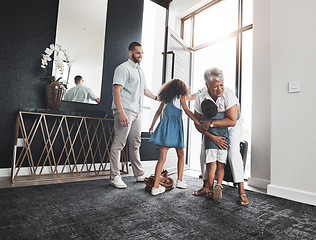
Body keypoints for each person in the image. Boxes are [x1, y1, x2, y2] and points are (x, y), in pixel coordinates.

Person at [193, 67, 249, 206]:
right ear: (207, 86)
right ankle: (207, 186)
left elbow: (232, 120)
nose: (219, 89)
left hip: (231, 127)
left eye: (221, 85)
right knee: (203, 152)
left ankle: (241, 191)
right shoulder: (201, 98)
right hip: (212, 129)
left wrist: (211, 124)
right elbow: (198, 123)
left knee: (233, 152)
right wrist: (211, 137)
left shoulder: (229, 94)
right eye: (215, 86)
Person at [110, 42, 158, 189]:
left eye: (142, 53)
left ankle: (138, 174)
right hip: (125, 110)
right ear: (130, 52)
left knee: (136, 143)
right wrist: (122, 112)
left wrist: (157, 97)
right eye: (138, 53)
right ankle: (115, 177)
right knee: (119, 144)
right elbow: (116, 91)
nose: (141, 56)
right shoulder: (123, 68)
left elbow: (145, 90)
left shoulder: (140, 71)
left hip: (137, 111)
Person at [148, 79, 205, 196]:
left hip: (165, 126)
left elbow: (158, 112)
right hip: (175, 126)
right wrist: (197, 121)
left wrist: (152, 126)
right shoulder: (181, 96)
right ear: (181, 89)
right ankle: (179, 180)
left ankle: (155, 187)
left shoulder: (166, 98)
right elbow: (187, 110)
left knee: (161, 159)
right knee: (181, 154)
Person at [200, 99, 229, 200]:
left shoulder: (204, 119)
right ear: (217, 107)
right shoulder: (223, 116)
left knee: (211, 168)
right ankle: (219, 185)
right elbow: (235, 118)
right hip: (224, 144)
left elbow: (202, 128)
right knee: (221, 167)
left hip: (210, 145)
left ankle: (211, 190)